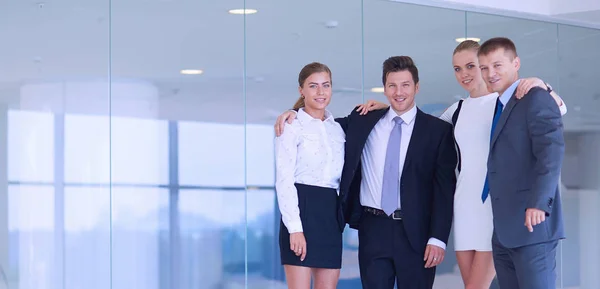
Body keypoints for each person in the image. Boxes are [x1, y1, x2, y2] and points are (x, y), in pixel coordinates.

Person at [357, 40, 567, 289]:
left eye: (471, 66)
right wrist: (388, 109)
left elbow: (556, 112)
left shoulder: (506, 103)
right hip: (464, 206)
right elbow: (418, 126)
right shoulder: (456, 110)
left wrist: (543, 86)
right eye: (458, 69)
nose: (465, 74)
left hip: (494, 206)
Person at [275, 56, 457, 289]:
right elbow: (315, 121)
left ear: (416, 87)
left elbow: (443, 190)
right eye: (392, 85)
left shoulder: (438, 131)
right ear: (384, 89)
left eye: (405, 85)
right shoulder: (363, 121)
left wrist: (438, 238)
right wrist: (292, 112)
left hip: (416, 233)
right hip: (373, 229)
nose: (398, 92)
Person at [478, 37, 565, 289]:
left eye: (497, 65)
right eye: (484, 67)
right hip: (504, 232)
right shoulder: (500, 104)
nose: (490, 73)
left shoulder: (535, 97)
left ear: (516, 63)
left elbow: (551, 152)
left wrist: (539, 203)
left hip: (533, 228)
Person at [275, 62, 348, 289]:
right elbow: (284, 179)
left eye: (325, 85)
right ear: (301, 90)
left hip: (330, 214)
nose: (320, 92)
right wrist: (295, 229)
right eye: (313, 86)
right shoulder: (291, 125)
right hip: (301, 210)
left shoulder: (339, 128)